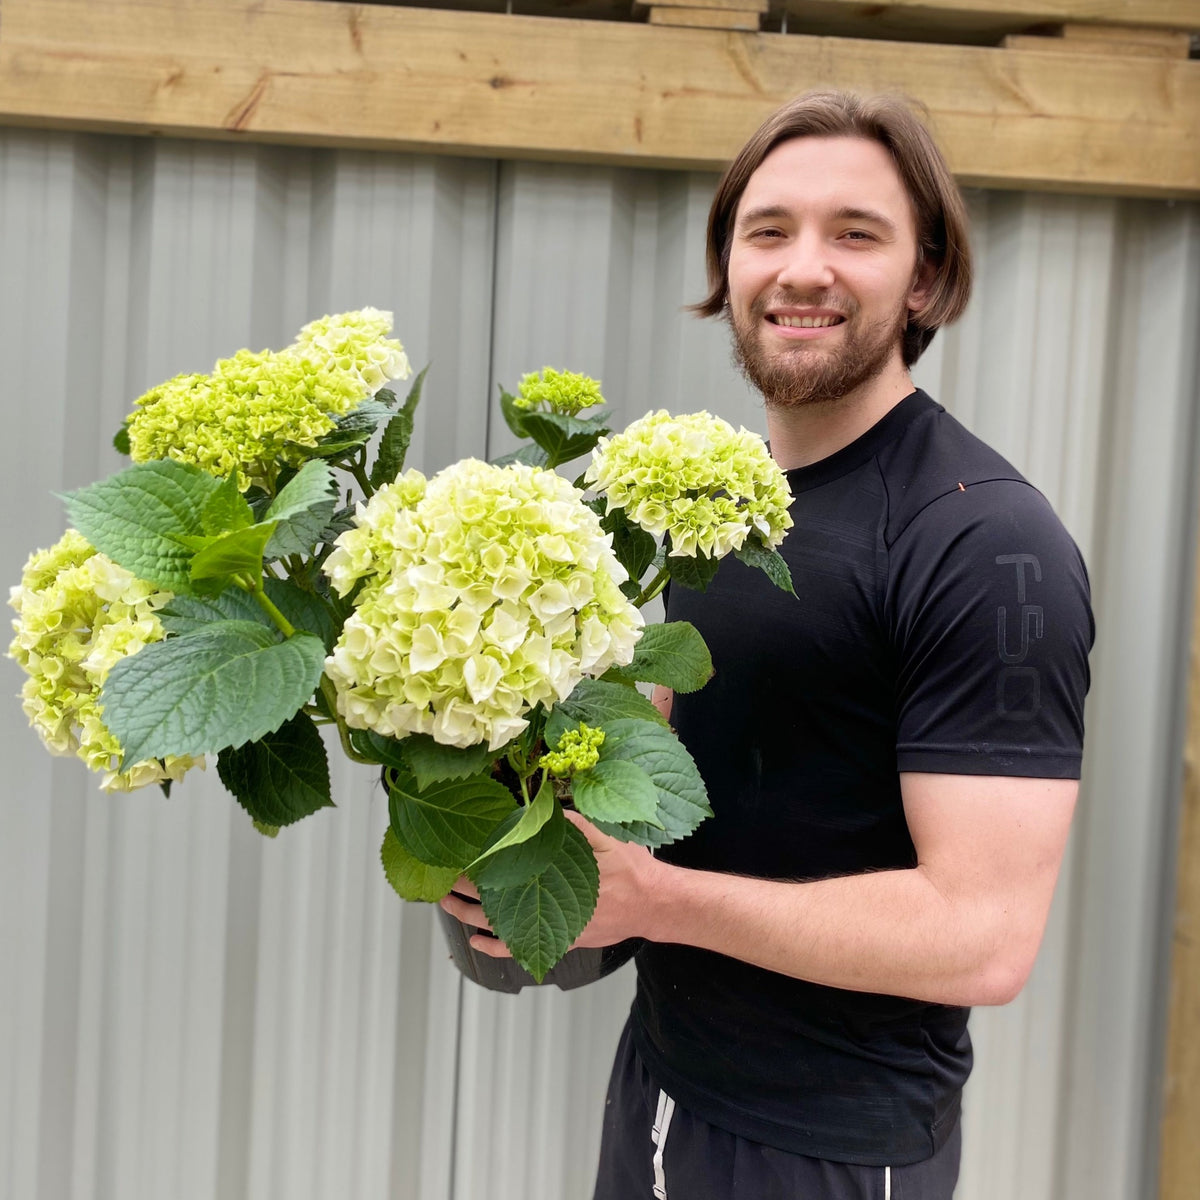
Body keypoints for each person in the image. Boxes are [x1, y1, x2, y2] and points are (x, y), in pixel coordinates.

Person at [441, 90, 1094, 1199]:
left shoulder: (984, 539)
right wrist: (517, 828)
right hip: (662, 1081)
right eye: (768, 230)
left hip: (824, 1146)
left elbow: (984, 937)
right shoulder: (723, 507)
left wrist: (656, 902)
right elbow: (687, 774)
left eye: (856, 233)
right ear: (729, 267)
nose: (803, 270)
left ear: (926, 278)